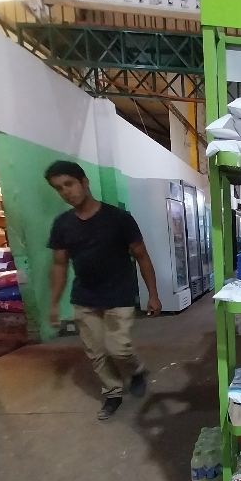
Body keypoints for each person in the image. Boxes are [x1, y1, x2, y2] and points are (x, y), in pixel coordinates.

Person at [45, 160, 162, 420]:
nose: (66, 192)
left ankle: (137, 371)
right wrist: (54, 303)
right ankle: (112, 393)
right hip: (85, 297)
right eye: (59, 188)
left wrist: (153, 294)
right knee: (97, 353)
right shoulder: (62, 224)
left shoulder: (118, 218)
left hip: (119, 295)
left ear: (84, 182)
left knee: (118, 348)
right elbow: (59, 264)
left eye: (69, 184)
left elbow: (142, 256)